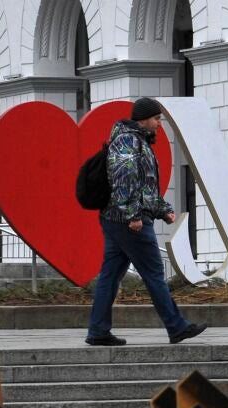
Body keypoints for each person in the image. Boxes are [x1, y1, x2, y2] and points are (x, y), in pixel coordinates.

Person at [86, 97, 206, 346]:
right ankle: (176, 326)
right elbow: (124, 180)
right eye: (156, 118)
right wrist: (133, 215)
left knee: (110, 276)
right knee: (154, 274)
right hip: (129, 222)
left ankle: (98, 331)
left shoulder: (137, 141)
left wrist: (163, 210)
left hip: (117, 219)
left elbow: (145, 186)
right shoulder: (128, 141)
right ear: (143, 120)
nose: (159, 123)